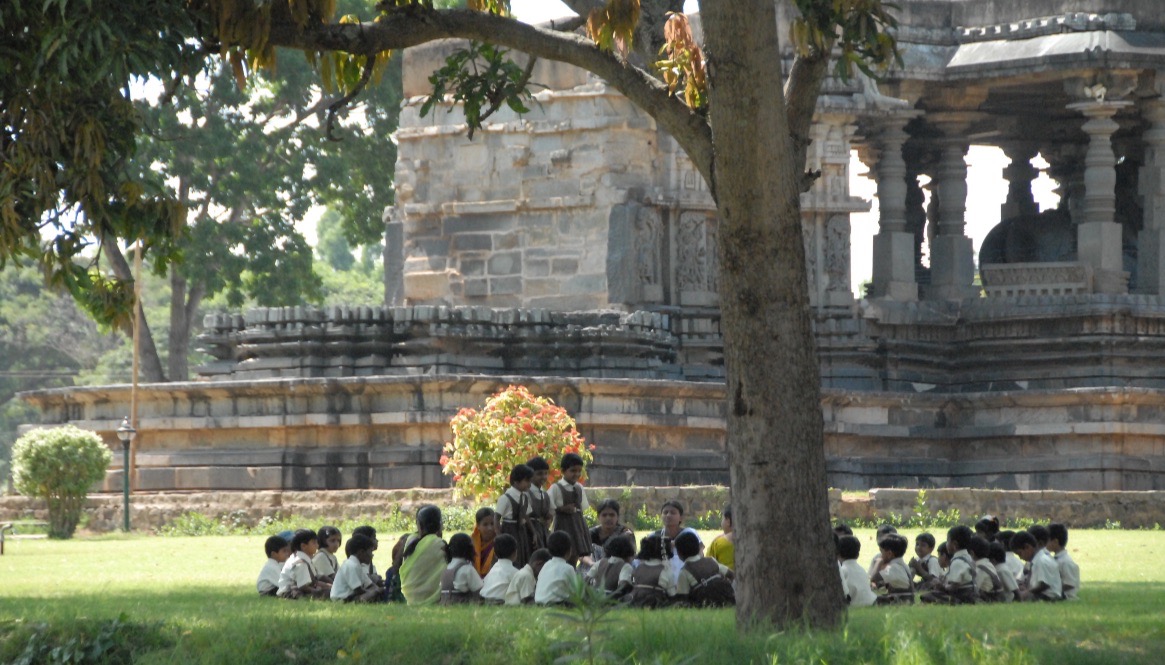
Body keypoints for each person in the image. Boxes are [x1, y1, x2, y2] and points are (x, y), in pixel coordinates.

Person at [399, 505, 447, 606]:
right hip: (432, 599)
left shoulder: (411, 540)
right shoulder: (439, 544)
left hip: (410, 598)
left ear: (419, 525)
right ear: (440, 525)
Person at [549, 452, 591, 566]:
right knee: (563, 553)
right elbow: (549, 508)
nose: (576, 474)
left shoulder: (579, 488)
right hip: (563, 525)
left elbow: (582, 507)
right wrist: (561, 509)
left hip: (577, 525)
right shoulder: (556, 488)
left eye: (579, 471)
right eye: (573, 471)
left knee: (575, 553)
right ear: (563, 471)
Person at [674, 531, 735, 607]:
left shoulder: (684, 571)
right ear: (698, 547)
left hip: (705, 604)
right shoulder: (711, 560)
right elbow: (731, 574)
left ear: (679, 553)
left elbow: (682, 599)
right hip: (728, 601)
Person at [921, 525, 976, 605]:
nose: (946, 544)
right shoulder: (968, 558)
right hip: (971, 595)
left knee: (928, 596)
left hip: (962, 597)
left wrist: (941, 585)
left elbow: (953, 587)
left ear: (954, 545)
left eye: (947, 541)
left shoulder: (957, 562)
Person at [495, 464, 535, 567]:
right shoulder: (506, 498)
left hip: (521, 531)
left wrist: (534, 532)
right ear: (516, 482)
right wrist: (499, 537)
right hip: (509, 529)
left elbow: (526, 516)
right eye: (527, 481)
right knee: (511, 555)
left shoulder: (524, 497)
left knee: (522, 554)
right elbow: (496, 518)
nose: (529, 484)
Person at [655, 500, 700, 584]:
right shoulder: (654, 536)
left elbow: (700, 554)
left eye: (673, 513)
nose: (668, 515)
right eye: (665, 512)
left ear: (681, 518)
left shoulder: (690, 534)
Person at [277, 529, 330, 599]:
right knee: (328, 592)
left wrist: (330, 585)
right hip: (290, 593)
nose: (317, 546)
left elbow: (314, 581)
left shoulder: (305, 559)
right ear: (303, 546)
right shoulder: (300, 562)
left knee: (329, 590)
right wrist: (317, 591)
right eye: (314, 543)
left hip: (298, 589)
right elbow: (303, 586)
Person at [628, 534, 676, 608]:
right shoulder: (665, 570)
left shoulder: (639, 568)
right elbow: (672, 594)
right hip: (654, 603)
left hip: (634, 602)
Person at [330, 533, 381, 603]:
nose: (372, 555)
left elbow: (369, 584)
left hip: (351, 596)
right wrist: (375, 591)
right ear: (361, 552)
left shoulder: (357, 565)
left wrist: (377, 589)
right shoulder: (350, 565)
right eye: (370, 551)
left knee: (376, 592)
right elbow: (358, 590)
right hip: (342, 599)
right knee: (373, 594)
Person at [1012, 530, 1062, 601]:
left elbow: (1044, 584)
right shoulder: (1036, 560)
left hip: (1048, 597)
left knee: (1020, 597)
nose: (1020, 557)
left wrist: (1027, 592)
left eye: (1020, 553)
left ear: (1027, 547)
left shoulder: (1042, 560)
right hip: (1040, 594)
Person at [535, 531, 579, 606]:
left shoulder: (546, 565)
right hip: (556, 604)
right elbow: (575, 591)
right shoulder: (568, 568)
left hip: (539, 602)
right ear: (569, 551)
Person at [439, 533, 484, 605]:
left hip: (445, 603)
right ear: (469, 550)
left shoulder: (446, 568)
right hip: (462, 603)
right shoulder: (467, 569)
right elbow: (480, 590)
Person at [585, 534, 635, 599]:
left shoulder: (600, 562)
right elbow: (624, 584)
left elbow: (586, 579)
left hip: (596, 596)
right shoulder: (625, 566)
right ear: (629, 552)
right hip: (612, 597)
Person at [872, 533, 914, 605]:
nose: (880, 555)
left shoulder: (893, 568)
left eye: (881, 552)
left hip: (901, 601)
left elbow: (873, 579)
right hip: (905, 598)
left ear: (889, 554)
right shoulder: (902, 565)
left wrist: (878, 563)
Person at [836, 535, 876, 608]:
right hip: (870, 602)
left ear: (837, 553)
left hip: (853, 604)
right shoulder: (862, 570)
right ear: (857, 554)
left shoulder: (843, 571)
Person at [481, 534, 519, 604]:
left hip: (484, 600)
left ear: (494, 554)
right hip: (500, 603)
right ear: (515, 553)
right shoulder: (515, 573)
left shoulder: (493, 570)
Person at [526, 456, 553, 551]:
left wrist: (549, 519)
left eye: (546, 473)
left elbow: (548, 514)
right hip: (529, 534)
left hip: (543, 532)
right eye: (539, 474)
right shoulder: (526, 493)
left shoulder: (544, 493)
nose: (544, 477)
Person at [1047, 523, 1079, 600]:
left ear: (1055, 542)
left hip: (1066, 597)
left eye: (1046, 540)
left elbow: (1070, 583)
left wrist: (1051, 590)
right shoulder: (1056, 559)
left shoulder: (1066, 562)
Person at [970, 536, 1005, 602]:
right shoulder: (988, 564)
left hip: (988, 599)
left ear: (972, 554)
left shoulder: (980, 568)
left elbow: (974, 588)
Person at [707, 505, 735, 572]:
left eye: (722, 518)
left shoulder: (718, 542)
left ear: (728, 521)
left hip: (724, 580)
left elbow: (707, 563)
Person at [471, 507, 497, 577]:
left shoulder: (499, 542)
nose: (490, 528)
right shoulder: (471, 543)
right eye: (485, 524)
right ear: (478, 526)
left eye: (492, 524)